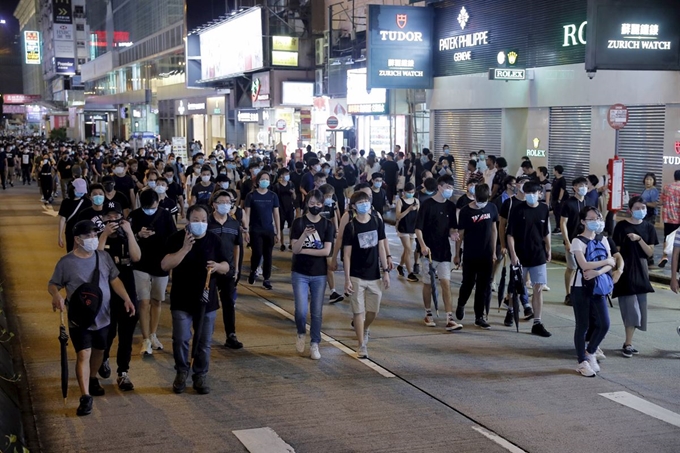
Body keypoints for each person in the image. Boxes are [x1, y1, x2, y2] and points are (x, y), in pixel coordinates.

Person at [48, 220, 136, 416]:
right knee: (83, 354)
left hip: (103, 316)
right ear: (78, 240)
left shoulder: (103, 257)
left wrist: (127, 299)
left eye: (95, 235)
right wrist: (56, 295)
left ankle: (92, 376)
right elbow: (53, 284)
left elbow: (114, 279)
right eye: (88, 236)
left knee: (99, 351)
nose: (93, 239)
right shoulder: (66, 263)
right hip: (79, 319)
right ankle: (85, 396)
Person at [161, 205, 230, 395]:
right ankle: (182, 371)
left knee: (203, 342)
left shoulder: (214, 240)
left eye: (203, 220)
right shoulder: (176, 239)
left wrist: (217, 266)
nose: (200, 224)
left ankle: (200, 375)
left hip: (207, 301)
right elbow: (165, 264)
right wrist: (184, 249)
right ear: (188, 221)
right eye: (196, 220)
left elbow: (226, 266)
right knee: (181, 339)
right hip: (182, 299)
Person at [97, 201, 141, 390]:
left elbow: (137, 257)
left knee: (126, 334)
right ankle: (103, 358)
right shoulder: (98, 237)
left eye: (116, 216)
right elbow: (95, 260)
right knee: (107, 333)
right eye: (109, 217)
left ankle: (123, 372)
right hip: (105, 294)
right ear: (103, 219)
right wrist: (104, 235)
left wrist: (130, 233)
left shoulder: (126, 237)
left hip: (127, 293)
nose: (113, 220)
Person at [128, 189, 177, 355]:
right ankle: (145, 339)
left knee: (157, 300)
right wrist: (137, 234)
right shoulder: (134, 215)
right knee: (143, 301)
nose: (150, 210)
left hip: (161, 264)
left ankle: (154, 334)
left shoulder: (165, 214)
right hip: (140, 263)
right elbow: (126, 237)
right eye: (147, 207)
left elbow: (173, 237)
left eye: (153, 207)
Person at [343, 191, 390, 358]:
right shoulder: (351, 227)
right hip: (356, 275)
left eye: (366, 201)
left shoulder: (377, 222)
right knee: (358, 312)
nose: (365, 204)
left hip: (374, 274)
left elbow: (382, 248)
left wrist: (386, 271)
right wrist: (347, 279)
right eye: (360, 202)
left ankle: (366, 327)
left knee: (373, 311)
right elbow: (347, 255)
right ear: (354, 207)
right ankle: (361, 344)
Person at [291, 190, 335, 359]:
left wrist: (304, 250)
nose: (315, 206)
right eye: (312, 203)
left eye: (318, 204)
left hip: (319, 274)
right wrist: (304, 235)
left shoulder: (327, 224)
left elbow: (326, 251)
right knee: (301, 310)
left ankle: (315, 343)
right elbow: (295, 249)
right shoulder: (299, 223)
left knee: (316, 311)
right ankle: (301, 332)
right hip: (299, 273)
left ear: (322, 205)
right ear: (307, 203)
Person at [570, 206, 614, 376]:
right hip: (580, 288)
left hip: (598, 285)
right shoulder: (577, 241)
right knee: (583, 325)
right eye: (591, 219)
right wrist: (603, 264)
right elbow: (584, 265)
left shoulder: (603, 239)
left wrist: (597, 271)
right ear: (583, 221)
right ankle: (582, 361)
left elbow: (611, 263)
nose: (596, 221)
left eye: (598, 218)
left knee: (604, 323)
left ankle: (591, 352)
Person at [415, 174, 462, 331]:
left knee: (445, 283)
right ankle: (428, 313)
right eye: (447, 187)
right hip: (428, 251)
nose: (450, 190)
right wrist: (422, 245)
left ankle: (449, 317)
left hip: (444, 251)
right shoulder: (427, 205)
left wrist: (453, 234)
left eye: (451, 187)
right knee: (428, 283)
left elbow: (451, 227)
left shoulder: (450, 206)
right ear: (440, 187)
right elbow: (418, 228)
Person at [612, 197, 657, 358]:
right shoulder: (622, 226)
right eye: (637, 207)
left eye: (643, 207)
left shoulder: (649, 227)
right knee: (631, 308)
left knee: (641, 307)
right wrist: (616, 269)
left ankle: (628, 342)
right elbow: (615, 250)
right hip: (626, 266)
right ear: (630, 209)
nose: (641, 210)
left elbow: (650, 252)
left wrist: (639, 240)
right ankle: (628, 343)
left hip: (642, 268)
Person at [507, 181, 552, 337]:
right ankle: (511, 310)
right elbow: (510, 234)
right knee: (515, 287)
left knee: (538, 288)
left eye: (534, 193)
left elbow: (546, 231)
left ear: (540, 193)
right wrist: (513, 255)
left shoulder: (544, 209)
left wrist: (548, 248)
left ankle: (537, 322)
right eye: (528, 193)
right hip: (520, 255)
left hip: (538, 254)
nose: (531, 196)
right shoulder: (517, 210)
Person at [455, 183, 498, 329]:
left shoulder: (492, 208)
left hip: (486, 254)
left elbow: (493, 229)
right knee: (468, 283)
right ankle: (461, 303)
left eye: (484, 201)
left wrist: (493, 251)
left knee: (483, 286)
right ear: (474, 197)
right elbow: (460, 234)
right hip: (470, 254)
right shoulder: (466, 211)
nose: (482, 204)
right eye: (479, 201)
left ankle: (479, 316)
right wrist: (457, 254)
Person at [208, 191, 243, 349]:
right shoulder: (207, 222)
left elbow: (237, 247)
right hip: (209, 269)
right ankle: (205, 333)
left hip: (228, 270)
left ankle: (231, 334)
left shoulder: (234, 224)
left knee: (229, 302)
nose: (225, 205)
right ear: (214, 204)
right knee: (208, 303)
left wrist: (235, 269)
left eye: (228, 202)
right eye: (221, 202)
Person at [245, 171, 281, 290]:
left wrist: (278, 232)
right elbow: (247, 214)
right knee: (257, 253)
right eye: (263, 179)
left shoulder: (272, 196)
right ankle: (253, 270)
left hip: (269, 230)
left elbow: (276, 214)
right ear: (258, 181)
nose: (265, 181)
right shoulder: (251, 196)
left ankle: (266, 278)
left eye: (267, 179)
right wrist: (246, 230)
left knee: (268, 255)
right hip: (255, 230)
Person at [560, 177, 592, 306]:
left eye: (585, 184)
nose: (583, 187)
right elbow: (563, 223)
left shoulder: (589, 202)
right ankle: (568, 294)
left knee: (586, 267)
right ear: (574, 188)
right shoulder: (568, 203)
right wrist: (567, 241)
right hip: (573, 240)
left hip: (587, 241)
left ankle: (584, 292)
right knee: (572, 267)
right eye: (580, 185)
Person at [58, 178, 92, 252]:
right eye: (78, 191)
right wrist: (59, 236)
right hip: (70, 232)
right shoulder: (66, 202)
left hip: (84, 232)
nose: (80, 193)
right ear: (72, 189)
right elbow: (62, 219)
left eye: (82, 191)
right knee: (71, 252)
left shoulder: (88, 202)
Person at [395, 182, 419, 282]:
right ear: (404, 192)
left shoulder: (416, 200)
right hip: (403, 228)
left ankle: (400, 266)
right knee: (408, 249)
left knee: (406, 250)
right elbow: (398, 216)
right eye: (409, 192)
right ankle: (410, 273)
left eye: (412, 192)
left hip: (412, 228)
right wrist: (409, 209)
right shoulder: (400, 201)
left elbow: (419, 214)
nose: (411, 194)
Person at [659, 170, 680, 268]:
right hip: (679, 219)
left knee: (667, 237)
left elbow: (661, 201)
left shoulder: (666, 187)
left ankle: (664, 256)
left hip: (668, 218)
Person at [271, 168, 296, 251]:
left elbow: (294, 197)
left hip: (290, 208)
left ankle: (291, 243)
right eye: (285, 174)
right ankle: (282, 243)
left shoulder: (291, 184)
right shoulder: (276, 186)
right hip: (280, 209)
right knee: (280, 227)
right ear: (281, 175)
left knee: (291, 226)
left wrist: (293, 193)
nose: (287, 176)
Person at [551, 165, 567, 234]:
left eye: (553, 170)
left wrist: (559, 200)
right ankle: (557, 226)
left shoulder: (562, 180)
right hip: (554, 198)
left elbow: (562, 190)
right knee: (555, 213)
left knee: (559, 213)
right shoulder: (555, 179)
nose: (552, 171)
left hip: (560, 200)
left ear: (556, 171)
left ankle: (560, 227)